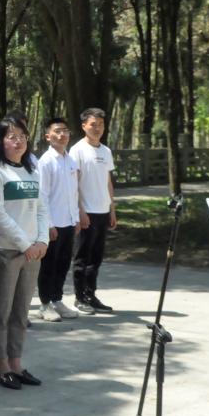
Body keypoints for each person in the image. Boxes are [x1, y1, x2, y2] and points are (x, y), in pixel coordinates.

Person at [0, 117, 48, 390]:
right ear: (0, 141)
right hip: (6, 251)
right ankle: (2, 367)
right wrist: (25, 243)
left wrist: (42, 240)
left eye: (22, 136)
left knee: (21, 312)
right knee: (1, 312)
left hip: (32, 253)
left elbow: (42, 208)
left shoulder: (32, 170)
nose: (18, 141)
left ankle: (16, 363)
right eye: (12, 136)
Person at [70, 108, 117, 314]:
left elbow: (108, 181)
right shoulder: (77, 150)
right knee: (82, 257)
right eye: (93, 124)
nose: (97, 128)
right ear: (84, 126)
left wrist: (112, 208)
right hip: (86, 211)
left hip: (103, 210)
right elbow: (73, 183)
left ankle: (91, 294)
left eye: (101, 124)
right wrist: (80, 210)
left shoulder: (106, 151)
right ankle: (80, 297)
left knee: (96, 257)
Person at [36, 117, 82, 321]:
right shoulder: (45, 161)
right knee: (48, 265)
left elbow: (74, 192)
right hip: (53, 223)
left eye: (65, 130)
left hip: (69, 222)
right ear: (48, 136)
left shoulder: (70, 160)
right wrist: (48, 224)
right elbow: (42, 195)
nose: (62, 134)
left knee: (63, 264)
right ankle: (45, 304)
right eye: (57, 131)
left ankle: (57, 300)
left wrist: (76, 218)